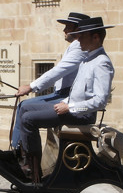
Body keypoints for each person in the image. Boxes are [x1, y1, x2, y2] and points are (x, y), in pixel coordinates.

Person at [18, 16, 114, 183]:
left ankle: (33, 174)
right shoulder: (88, 59)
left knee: (28, 119)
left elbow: (100, 101)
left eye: (82, 36)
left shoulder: (101, 63)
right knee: (25, 107)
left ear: (96, 37)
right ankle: (23, 157)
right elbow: (78, 90)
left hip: (82, 115)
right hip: (71, 107)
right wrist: (67, 102)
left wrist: (70, 107)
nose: (78, 39)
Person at [9, 11, 90, 154]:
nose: (64, 30)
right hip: (61, 93)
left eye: (68, 27)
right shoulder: (75, 46)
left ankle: (21, 151)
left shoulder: (79, 47)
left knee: (25, 108)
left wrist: (31, 87)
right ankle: (18, 148)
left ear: (78, 29)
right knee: (23, 105)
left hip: (67, 96)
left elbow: (58, 71)